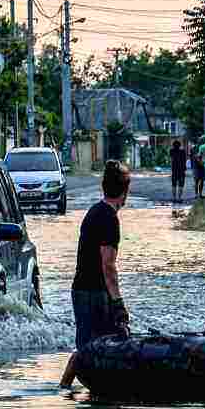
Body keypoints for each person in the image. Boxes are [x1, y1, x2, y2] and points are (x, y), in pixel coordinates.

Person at [60, 160, 131, 387]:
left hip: (81, 288)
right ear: (125, 191)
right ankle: (66, 388)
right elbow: (108, 266)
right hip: (94, 292)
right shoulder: (110, 218)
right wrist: (118, 303)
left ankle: (65, 388)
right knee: (99, 346)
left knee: (87, 347)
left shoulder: (94, 211)